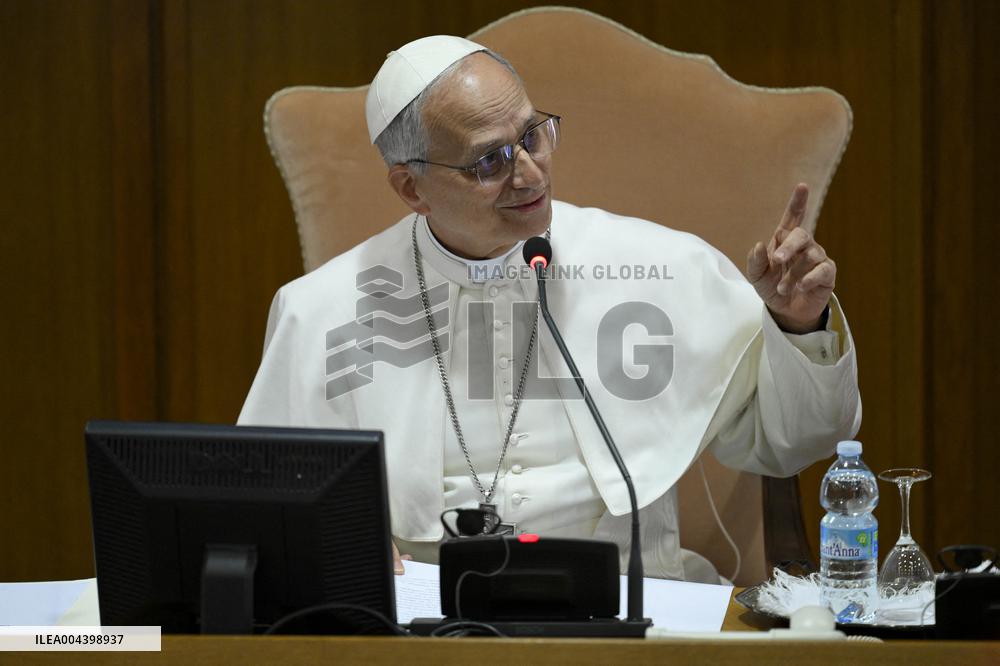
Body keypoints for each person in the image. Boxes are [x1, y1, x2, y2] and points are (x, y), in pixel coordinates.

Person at [238, 35, 861, 583]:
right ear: (412, 188)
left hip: (628, 604)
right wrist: (335, 543)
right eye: (490, 160)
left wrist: (797, 325)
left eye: (532, 134)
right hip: (423, 624)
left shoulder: (663, 268)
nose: (530, 174)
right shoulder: (322, 310)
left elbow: (793, 444)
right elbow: (266, 506)